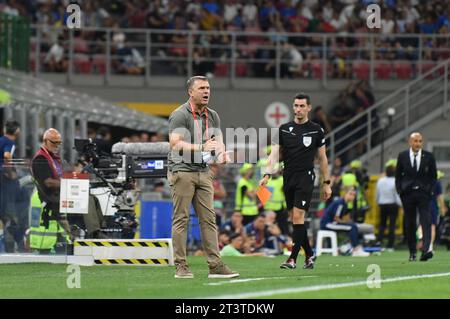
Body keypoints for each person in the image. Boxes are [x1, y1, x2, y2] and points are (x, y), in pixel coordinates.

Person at [167, 75, 239, 279]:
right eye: (201, 88)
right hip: (182, 170)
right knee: (181, 219)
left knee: (209, 220)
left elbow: (218, 141)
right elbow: (175, 143)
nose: (206, 91)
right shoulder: (180, 114)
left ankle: (215, 266)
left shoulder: (213, 115)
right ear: (190, 92)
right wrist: (201, 147)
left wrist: (222, 154)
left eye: (208, 88)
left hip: (204, 171)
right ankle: (181, 266)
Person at [260, 92, 332, 270]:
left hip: (306, 177)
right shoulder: (283, 129)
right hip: (288, 176)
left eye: (302, 106)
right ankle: (309, 254)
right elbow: (274, 153)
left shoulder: (316, 129)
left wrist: (327, 183)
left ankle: (292, 258)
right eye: (296, 106)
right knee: (295, 219)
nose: (298, 109)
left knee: (298, 217)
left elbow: (322, 158)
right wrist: (267, 174)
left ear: (308, 108)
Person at [30, 129, 105, 254]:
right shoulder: (40, 159)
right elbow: (48, 182)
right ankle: (94, 233)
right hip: (52, 197)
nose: (57, 146)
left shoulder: (55, 158)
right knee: (86, 199)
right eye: (54, 142)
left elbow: (64, 174)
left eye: (59, 143)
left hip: (61, 193)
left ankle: (99, 229)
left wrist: (77, 177)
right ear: (45, 141)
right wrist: (70, 184)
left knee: (93, 197)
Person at [395, 132, 437, 262]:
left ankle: (425, 250)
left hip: (423, 194)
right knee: (410, 223)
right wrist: (400, 191)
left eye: (420, 141)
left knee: (426, 221)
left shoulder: (429, 157)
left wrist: (429, 191)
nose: (418, 144)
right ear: (410, 142)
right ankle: (412, 252)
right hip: (407, 194)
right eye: (415, 141)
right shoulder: (402, 156)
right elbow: (398, 176)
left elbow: (433, 176)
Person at [320, 186, 371, 257]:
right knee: (352, 227)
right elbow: (336, 218)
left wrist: (347, 222)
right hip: (327, 224)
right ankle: (356, 249)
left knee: (353, 226)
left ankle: (353, 248)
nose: (352, 196)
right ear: (345, 194)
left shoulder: (345, 203)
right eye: (350, 194)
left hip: (333, 223)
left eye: (354, 195)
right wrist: (346, 223)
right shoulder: (340, 203)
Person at [0, 120, 21, 252]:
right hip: (3, 180)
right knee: (7, 211)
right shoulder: (10, 142)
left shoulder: (1, 139)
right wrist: (10, 173)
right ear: (17, 131)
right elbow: (7, 156)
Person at [376, 160, 402, 251]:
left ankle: (379, 241)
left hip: (382, 204)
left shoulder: (380, 181)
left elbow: (377, 193)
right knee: (392, 225)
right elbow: (397, 195)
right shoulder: (395, 181)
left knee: (382, 224)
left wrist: (378, 201)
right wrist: (401, 205)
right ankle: (390, 245)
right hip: (392, 205)